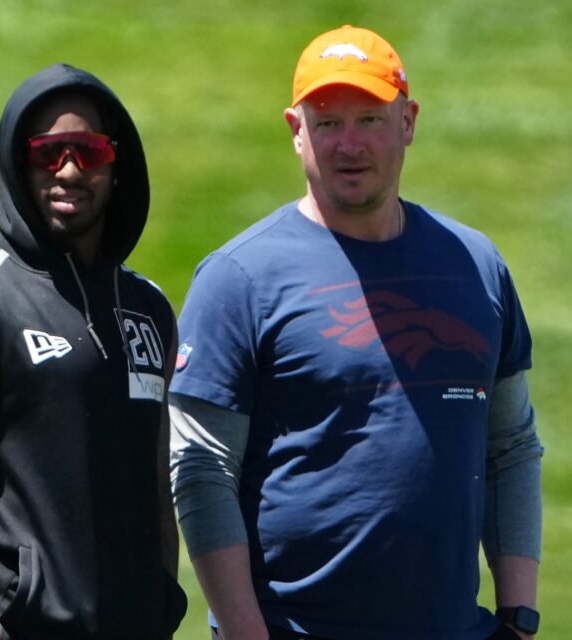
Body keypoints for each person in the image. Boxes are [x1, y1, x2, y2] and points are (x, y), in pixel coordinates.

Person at [169, 25, 543, 640]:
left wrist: (520, 617)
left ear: (409, 122)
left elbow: (511, 447)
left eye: (369, 119)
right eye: (327, 123)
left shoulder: (476, 268)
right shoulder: (239, 278)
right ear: (296, 131)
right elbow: (202, 468)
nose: (349, 145)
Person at [0, 63, 187, 640]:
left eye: (89, 151)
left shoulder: (150, 310)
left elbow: (157, 487)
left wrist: (159, 610)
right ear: (17, 161)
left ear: (116, 162)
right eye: (48, 153)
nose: (70, 170)